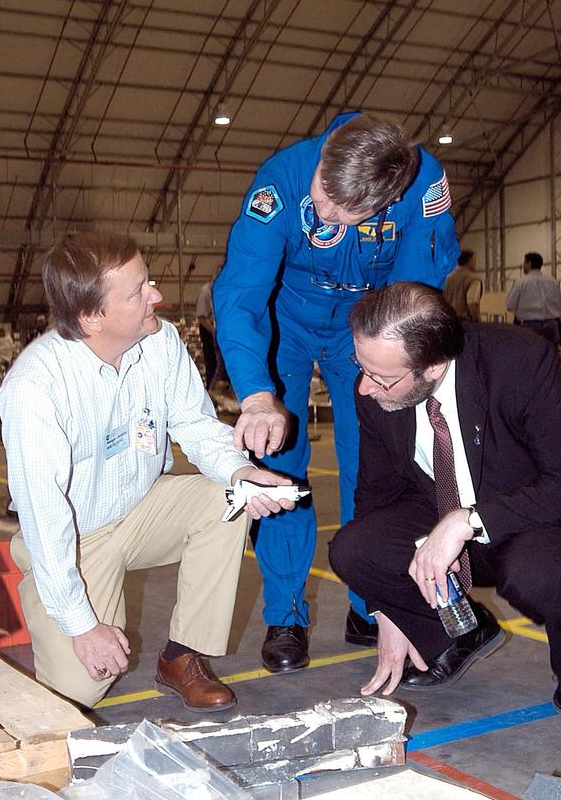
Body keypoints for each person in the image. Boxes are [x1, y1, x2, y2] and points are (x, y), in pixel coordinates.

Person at [0, 232, 296, 710]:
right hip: (75, 539)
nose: (156, 295)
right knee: (79, 690)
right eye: (138, 291)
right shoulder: (36, 388)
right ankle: (51, 604)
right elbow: (45, 516)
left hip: (140, 508)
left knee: (225, 498)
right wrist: (82, 626)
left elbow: (194, 423)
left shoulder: (160, 342)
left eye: (149, 281)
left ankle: (182, 657)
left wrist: (241, 472)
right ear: (91, 316)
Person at [213, 111, 459, 673]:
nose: (320, 210)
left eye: (340, 212)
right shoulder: (282, 180)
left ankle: (370, 605)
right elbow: (241, 293)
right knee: (280, 463)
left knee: (376, 462)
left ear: (385, 200)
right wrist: (255, 393)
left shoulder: (423, 190)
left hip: (369, 324)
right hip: (288, 326)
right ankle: (286, 616)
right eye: (322, 193)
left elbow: (415, 293)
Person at [329, 281, 561, 718]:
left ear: (434, 365)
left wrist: (467, 520)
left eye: (382, 377)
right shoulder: (375, 392)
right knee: (354, 549)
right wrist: (388, 608)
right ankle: (459, 633)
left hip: (532, 517)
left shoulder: (521, 361)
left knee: (540, 573)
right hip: (441, 510)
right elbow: (376, 495)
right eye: (362, 366)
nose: (365, 389)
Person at [505, 252, 561, 345]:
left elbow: (510, 305)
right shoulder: (553, 281)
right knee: (551, 355)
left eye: (524, 263)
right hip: (551, 326)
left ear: (529, 264)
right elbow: (560, 304)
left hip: (530, 327)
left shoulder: (521, 282)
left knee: (529, 356)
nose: (523, 265)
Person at [195, 279, 225, 391]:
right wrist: (214, 333)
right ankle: (212, 392)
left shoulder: (215, 292)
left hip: (214, 330)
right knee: (213, 364)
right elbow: (202, 317)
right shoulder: (206, 292)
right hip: (209, 331)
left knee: (218, 365)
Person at [443, 249, 482, 322]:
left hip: (447, 320)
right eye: (474, 260)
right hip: (464, 322)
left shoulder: (447, 278)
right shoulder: (473, 279)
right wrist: (477, 320)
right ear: (470, 261)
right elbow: (472, 304)